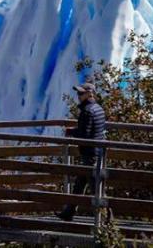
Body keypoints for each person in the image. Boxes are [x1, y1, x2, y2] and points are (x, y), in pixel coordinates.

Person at [57, 82, 106, 222]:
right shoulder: (99, 109)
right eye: (78, 93)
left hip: (89, 154)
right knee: (80, 184)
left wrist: (71, 132)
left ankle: (107, 221)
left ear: (90, 93)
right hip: (97, 153)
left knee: (97, 189)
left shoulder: (87, 112)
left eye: (81, 93)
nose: (78, 96)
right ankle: (68, 212)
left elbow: (85, 134)